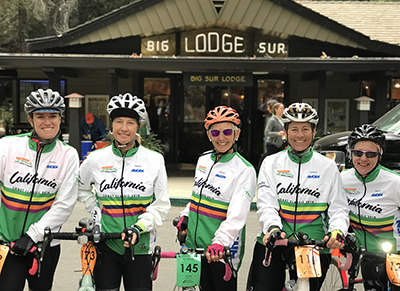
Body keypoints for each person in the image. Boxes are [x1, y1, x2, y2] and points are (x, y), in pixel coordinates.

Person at [248, 102, 349, 291]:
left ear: (314, 131)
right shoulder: (271, 163)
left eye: (305, 129)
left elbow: (339, 208)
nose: (300, 135)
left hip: (315, 243)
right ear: (285, 131)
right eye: (294, 129)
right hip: (276, 239)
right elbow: (266, 203)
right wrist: (272, 227)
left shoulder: (327, 167)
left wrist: (337, 231)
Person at [78, 93, 170, 291]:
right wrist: (95, 208)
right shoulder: (96, 159)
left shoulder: (154, 160)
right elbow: (79, 186)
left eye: (130, 122)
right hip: (106, 245)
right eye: (119, 121)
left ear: (138, 127)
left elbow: (161, 204)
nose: (124, 128)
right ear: (111, 125)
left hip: (141, 246)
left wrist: (139, 226)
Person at [0, 88, 79, 291]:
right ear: (30, 119)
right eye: (40, 116)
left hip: (45, 244)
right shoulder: (8, 146)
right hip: (8, 244)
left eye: (52, 116)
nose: (47, 122)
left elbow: (64, 204)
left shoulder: (68, 154)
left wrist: (31, 236)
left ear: (60, 119)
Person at [176, 106, 256, 291]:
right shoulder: (203, 160)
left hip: (222, 250)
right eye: (216, 132)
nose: (222, 137)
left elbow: (238, 214)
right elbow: (198, 196)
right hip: (194, 248)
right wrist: (185, 215)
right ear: (208, 135)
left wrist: (220, 242)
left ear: (237, 134)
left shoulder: (244, 170)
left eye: (228, 131)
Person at [342, 124, 400, 291]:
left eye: (371, 154)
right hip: (365, 257)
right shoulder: (343, 179)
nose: (363, 159)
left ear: (380, 154)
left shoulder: (394, 182)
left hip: (393, 257)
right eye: (357, 153)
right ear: (350, 152)